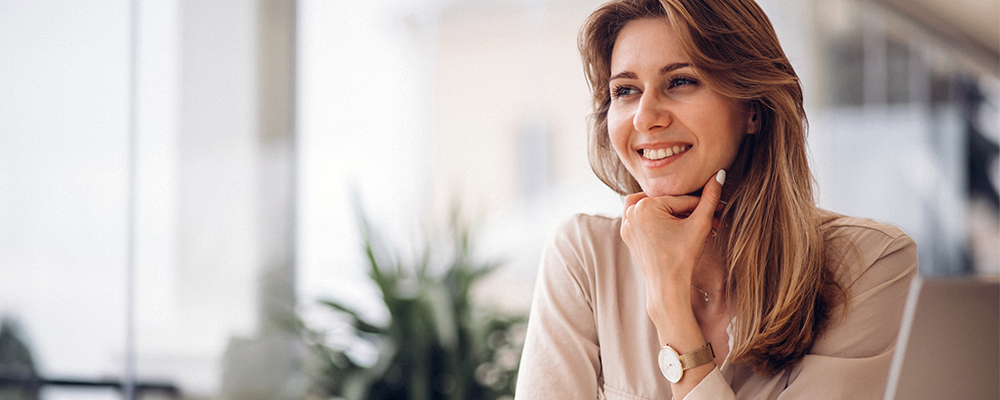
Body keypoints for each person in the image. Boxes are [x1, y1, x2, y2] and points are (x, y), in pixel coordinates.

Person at [513, 0, 918, 399]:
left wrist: (670, 305)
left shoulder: (868, 263)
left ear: (753, 108)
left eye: (680, 81)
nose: (644, 117)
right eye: (625, 90)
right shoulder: (584, 258)